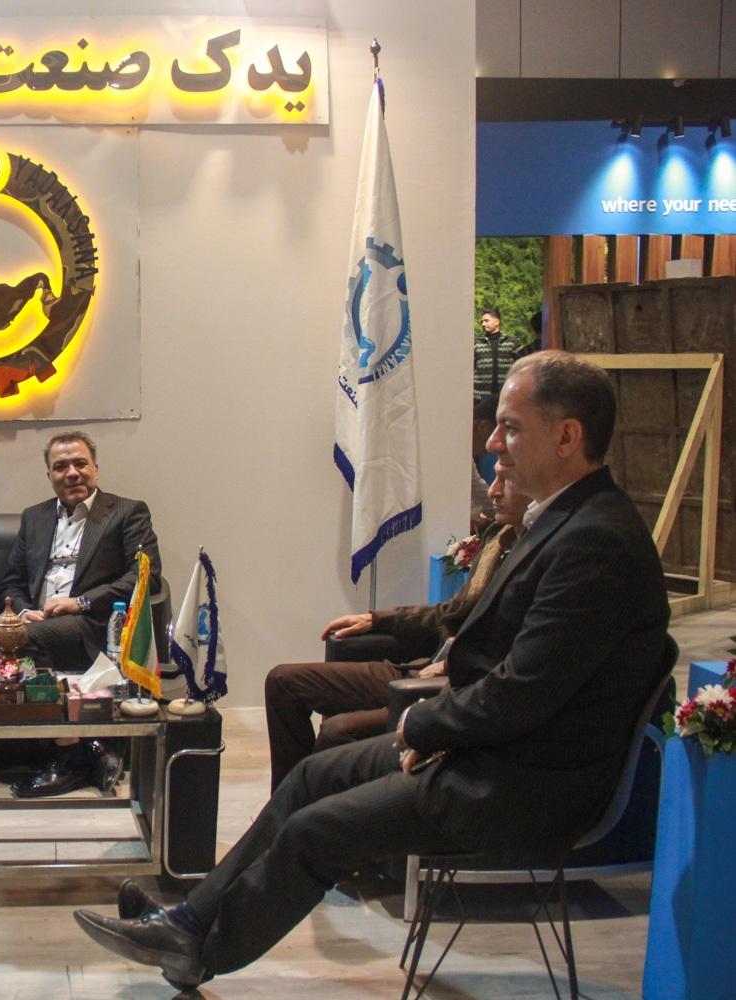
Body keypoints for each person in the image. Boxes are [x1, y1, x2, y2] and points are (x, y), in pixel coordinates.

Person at [74, 351, 670, 989]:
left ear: (567, 436)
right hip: (493, 751)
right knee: (311, 776)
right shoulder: (567, 523)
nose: (493, 443)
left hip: (525, 783)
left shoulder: (596, 541)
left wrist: (421, 726)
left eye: (510, 427)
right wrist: (429, 722)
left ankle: (200, 950)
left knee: (317, 830)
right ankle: (189, 922)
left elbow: (521, 692)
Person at [264, 473, 528, 790]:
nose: (493, 491)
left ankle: (310, 809)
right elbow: (450, 611)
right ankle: (286, 804)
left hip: (452, 686)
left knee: (338, 731)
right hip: (420, 668)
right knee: (283, 682)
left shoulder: (539, 559)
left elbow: (512, 656)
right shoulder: (497, 540)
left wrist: (451, 663)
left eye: (506, 480)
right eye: (495, 477)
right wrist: (378, 619)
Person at [0, 430, 162, 798]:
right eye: (61, 467)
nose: (71, 473)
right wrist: (23, 610)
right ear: (49, 475)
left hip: (95, 623)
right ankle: (92, 750)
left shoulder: (127, 511)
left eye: (80, 464)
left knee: (18, 646)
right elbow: (12, 580)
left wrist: (82, 601)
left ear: (95, 468)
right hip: (39, 623)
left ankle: (69, 757)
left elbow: (146, 575)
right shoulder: (35, 517)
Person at [473, 306, 526, 401]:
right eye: (482, 322)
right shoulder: (477, 344)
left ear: (497, 321)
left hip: (505, 394)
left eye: (486, 321)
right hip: (481, 396)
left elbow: (523, 365)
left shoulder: (511, 343)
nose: (483, 324)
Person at [470, 394, 498, 531]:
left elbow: (479, 489)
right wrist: (480, 523)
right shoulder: (450, 454)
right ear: (484, 428)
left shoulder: (466, 459)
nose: (493, 449)